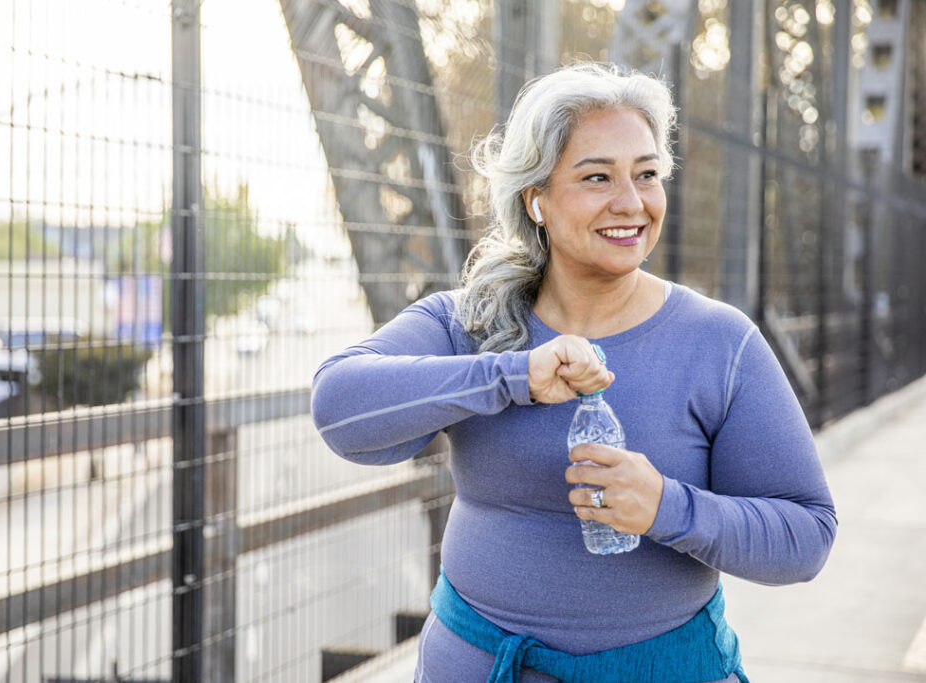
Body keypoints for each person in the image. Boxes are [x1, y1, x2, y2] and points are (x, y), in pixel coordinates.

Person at [311, 62, 837, 683]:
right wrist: (509, 377)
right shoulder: (470, 322)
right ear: (537, 200)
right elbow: (338, 408)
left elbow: (806, 537)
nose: (631, 203)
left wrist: (668, 507)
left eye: (647, 175)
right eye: (597, 177)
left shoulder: (721, 343)